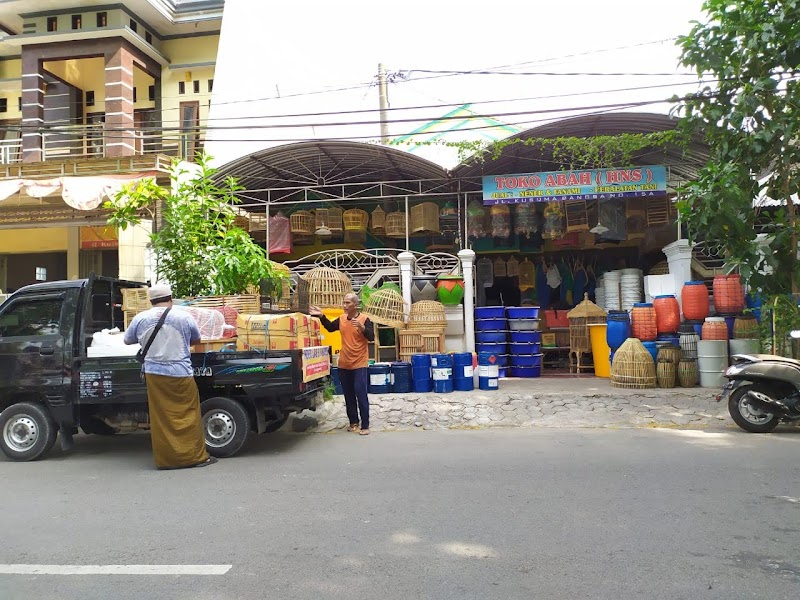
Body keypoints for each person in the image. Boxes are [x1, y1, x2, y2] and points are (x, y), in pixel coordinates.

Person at [124, 284, 217, 469]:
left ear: (151, 301)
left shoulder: (140, 318)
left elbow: (127, 340)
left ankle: (167, 460)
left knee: (161, 418)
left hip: (154, 374)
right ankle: (195, 457)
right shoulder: (183, 316)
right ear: (171, 298)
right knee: (189, 413)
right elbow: (196, 339)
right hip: (180, 372)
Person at [309, 293, 374, 435]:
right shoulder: (342, 319)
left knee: (360, 393)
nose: (344, 305)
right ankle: (353, 422)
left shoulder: (365, 319)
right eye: (343, 303)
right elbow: (330, 327)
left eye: (347, 303)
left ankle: (365, 425)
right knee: (348, 394)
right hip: (344, 363)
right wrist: (321, 316)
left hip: (359, 363)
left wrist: (362, 328)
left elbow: (371, 336)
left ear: (355, 305)